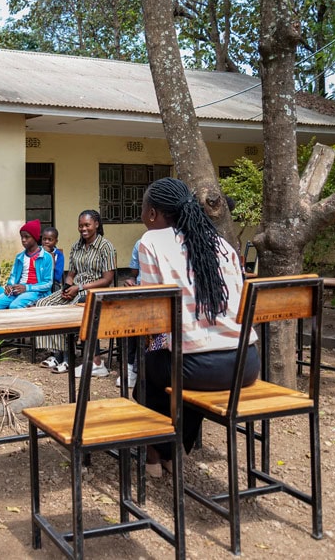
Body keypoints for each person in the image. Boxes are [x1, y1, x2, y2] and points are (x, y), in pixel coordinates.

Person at [137, 177, 258, 477]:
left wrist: (151, 346)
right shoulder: (222, 244)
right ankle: (175, 450)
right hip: (246, 363)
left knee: (152, 362)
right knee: (176, 361)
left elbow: (155, 318)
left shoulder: (151, 241)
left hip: (197, 368)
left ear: (152, 213)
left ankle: (156, 454)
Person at [35, 210, 116, 376]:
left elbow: (107, 279)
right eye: (80, 225)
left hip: (94, 291)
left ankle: (67, 357)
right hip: (76, 288)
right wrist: (66, 288)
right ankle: (56, 353)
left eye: (87, 225)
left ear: (96, 224)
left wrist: (78, 288)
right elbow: (71, 274)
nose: (83, 229)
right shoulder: (76, 246)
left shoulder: (105, 247)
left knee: (66, 311)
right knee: (44, 304)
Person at [0, 219, 53, 310]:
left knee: (15, 306)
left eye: (27, 237)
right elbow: (13, 276)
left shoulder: (46, 257)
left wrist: (26, 288)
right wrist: (9, 286)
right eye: (22, 237)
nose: (23, 240)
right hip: (17, 290)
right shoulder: (20, 257)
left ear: (35, 237)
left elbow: (48, 283)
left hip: (36, 291)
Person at [116, 238, 142, 389]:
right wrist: (131, 280)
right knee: (127, 317)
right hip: (140, 292)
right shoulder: (140, 243)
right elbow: (134, 273)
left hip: (161, 294)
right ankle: (130, 366)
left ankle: (138, 367)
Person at [41, 227, 65, 291]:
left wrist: (49, 255)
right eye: (44, 239)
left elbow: (57, 276)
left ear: (56, 241)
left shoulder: (59, 255)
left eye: (50, 239)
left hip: (53, 283)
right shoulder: (37, 252)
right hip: (38, 282)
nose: (46, 242)